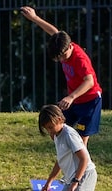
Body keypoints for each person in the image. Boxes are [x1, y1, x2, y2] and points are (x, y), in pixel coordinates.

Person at [20, 6, 102, 146]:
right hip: (73, 102)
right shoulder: (62, 42)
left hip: (90, 101)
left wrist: (71, 96)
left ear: (70, 46)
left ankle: (82, 166)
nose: (63, 60)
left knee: (80, 141)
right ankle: (65, 161)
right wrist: (34, 18)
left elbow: (89, 81)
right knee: (59, 130)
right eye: (59, 59)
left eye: (64, 56)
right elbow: (54, 32)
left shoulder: (79, 59)